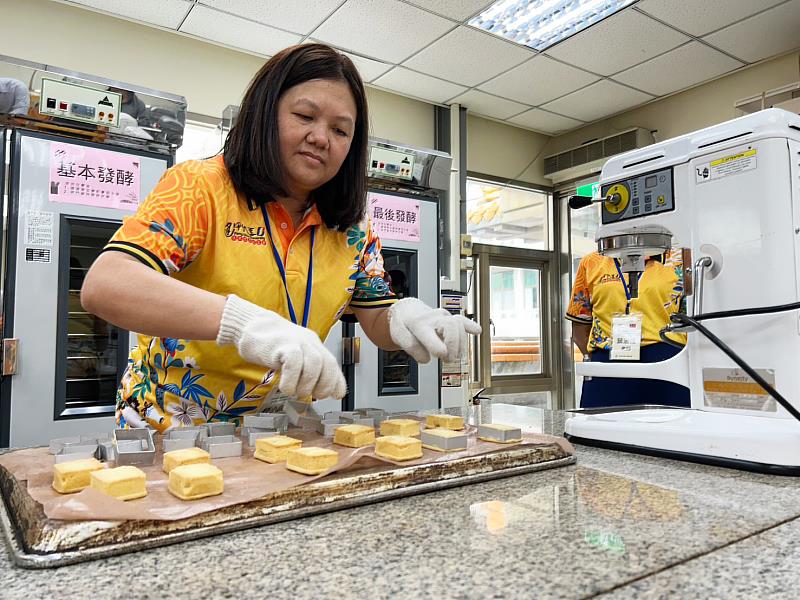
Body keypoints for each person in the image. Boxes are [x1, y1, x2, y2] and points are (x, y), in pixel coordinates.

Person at [81, 44, 480, 430]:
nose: (322, 137)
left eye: (341, 130)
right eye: (305, 116)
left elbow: (374, 317)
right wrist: (244, 324)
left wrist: (404, 317)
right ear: (263, 114)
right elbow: (107, 285)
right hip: (168, 432)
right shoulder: (200, 187)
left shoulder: (353, 229)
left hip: (280, 434)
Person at [566, 249, 689, 409]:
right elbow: (580, 324)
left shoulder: (680, 259)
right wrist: (595, 356)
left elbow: (691, 318)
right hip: (608, 361)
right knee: (602, 427)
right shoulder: (591, 262)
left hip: (667, 359)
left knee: (673, 426)